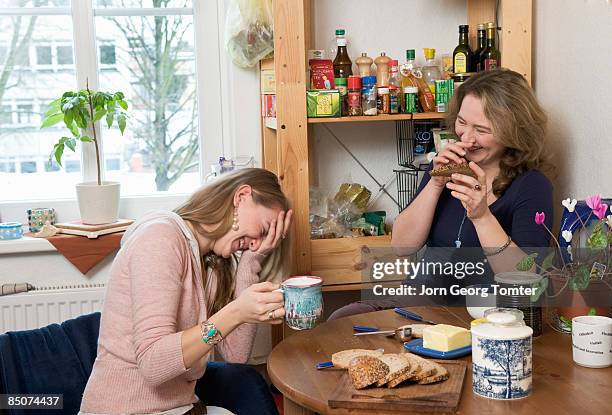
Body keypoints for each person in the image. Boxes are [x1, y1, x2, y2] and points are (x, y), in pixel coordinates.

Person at [330, 68, 554, 320]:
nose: (466, 138)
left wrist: (481, 216)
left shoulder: (532, 186)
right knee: (342, 319)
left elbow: (524, 281)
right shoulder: (444, 167)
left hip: (485, 315)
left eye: (481, 129)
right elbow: (402, 246)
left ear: (514, 129)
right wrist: (435, 184)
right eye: (461, 122)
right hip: (419, 304)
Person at [80, 168, 293, 415]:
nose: (257, 242)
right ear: (242, 197)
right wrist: (236, 312)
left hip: (178, 408)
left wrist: (251, 261)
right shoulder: (160, 239)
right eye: (264, 229)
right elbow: (153, 363)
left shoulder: (209, 262)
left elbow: (236, 355)